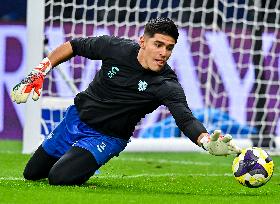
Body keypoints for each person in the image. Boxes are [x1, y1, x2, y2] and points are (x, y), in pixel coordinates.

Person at [11, 17, 241, 186]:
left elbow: (185, 118)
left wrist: (205, 140)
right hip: (76, 119)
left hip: (107, 137)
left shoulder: (166, 83)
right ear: (143, 41)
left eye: (169, 48)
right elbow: (74, 46)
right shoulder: (115, 48)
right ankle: (79, 158)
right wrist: (41, 70)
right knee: (32, 174)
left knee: (59, 177)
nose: (163, 53)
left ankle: (87, 161)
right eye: (158, 45)